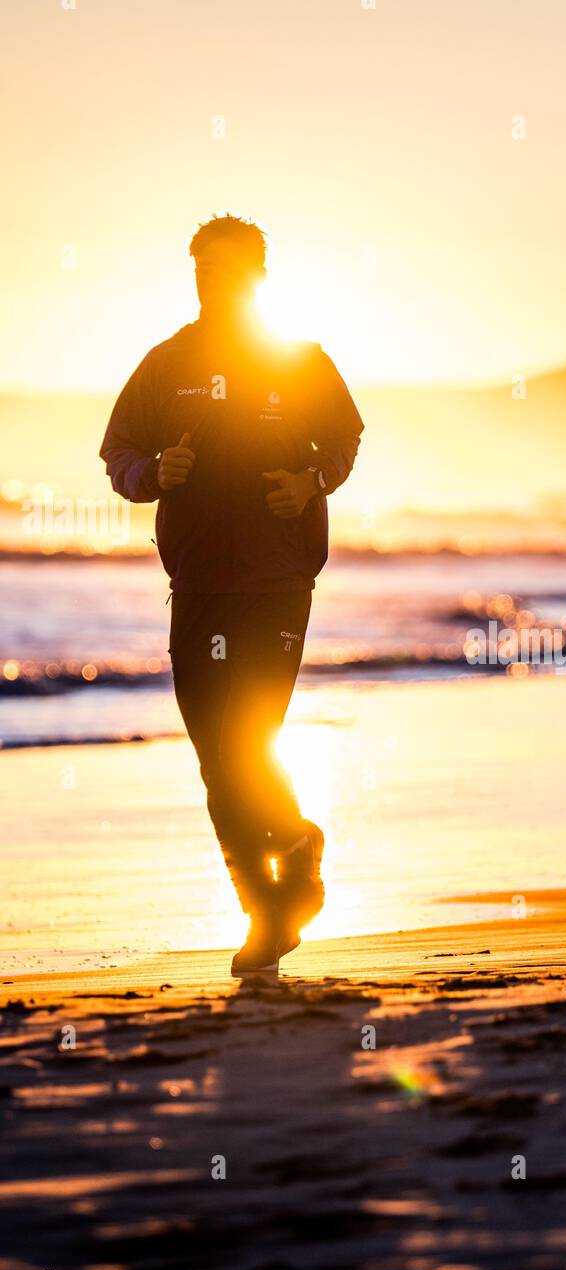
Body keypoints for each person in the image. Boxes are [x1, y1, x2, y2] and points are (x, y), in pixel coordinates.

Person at [101, 215, 363, 974]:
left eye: (227, 272)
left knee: (241, 743)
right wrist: (154, 476)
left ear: (257, 277)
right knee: (214, 757)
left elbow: (344, 440)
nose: (212, 284)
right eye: (201, 272)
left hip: (277, 583)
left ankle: (268, 912)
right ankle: (286, 866)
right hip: (198, 585)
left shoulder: (301, 360)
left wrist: (308, 480)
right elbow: (117, 452)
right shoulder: (165, 364)